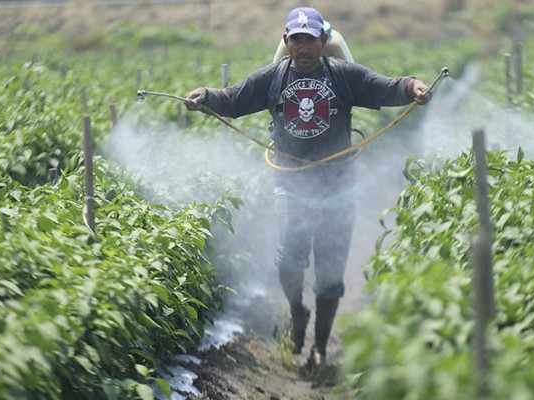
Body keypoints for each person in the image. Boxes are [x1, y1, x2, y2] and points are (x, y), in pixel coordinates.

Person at [184, 7, 432, 368]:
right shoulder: (271, 78)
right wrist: (205, 95)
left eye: (310, 39)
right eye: (296, 39)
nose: (303, 47)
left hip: (339, 188)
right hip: (292, 185)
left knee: (330, 277)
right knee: (289, 261)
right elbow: (232, 99)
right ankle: (298, 312)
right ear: (287, 41)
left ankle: (319, 346)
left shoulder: (344, 76)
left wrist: (413, 86)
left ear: (323, 41)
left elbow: (388, 86)